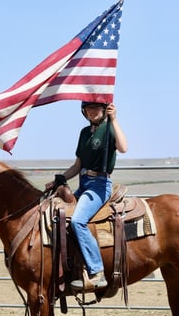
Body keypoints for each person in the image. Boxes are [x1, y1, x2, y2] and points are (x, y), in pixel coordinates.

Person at [45, 101, 128, 291]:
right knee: (57, 214)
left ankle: (97, 270)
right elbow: (77, 165)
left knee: (78, 221)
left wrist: (114, 119)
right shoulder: (84, 133)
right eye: (88, 108)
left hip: (100, 185)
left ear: (104, 109)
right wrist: (58, 179)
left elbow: (123, 148)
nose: (92, 111)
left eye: (96, 108)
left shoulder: (109, 128)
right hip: (83, 183)